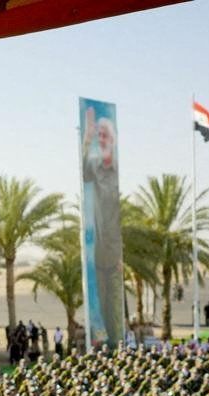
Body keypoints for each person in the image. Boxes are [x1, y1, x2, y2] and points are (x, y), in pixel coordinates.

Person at [81, 105, 124, 345]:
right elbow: (82, 170)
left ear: (114, 139)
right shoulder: (94, 168)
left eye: (105, 135)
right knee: (100, 305)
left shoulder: (116, 172)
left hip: (115, 255)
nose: (102, 139)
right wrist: (87, 139)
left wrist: (119, 254)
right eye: (99, 135)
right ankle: (104, 346)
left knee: (115, 310)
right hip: (98, 252)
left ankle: (117, 348)